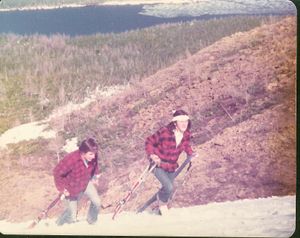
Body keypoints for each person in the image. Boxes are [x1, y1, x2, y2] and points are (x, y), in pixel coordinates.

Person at [144, 109, 196, 214]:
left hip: (171, 167)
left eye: (185, 121)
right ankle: (162, 204)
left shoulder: (186, 134)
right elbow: (149, 141)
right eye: (181, 121)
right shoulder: (164, 132)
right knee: (168, 187)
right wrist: (152, 155)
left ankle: (158, 211)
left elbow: (186, 145)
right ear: (175, 122)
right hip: (157, 165)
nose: (184, 124)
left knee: (168, 189)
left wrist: (191, 153)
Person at [53, 138, 101, 225]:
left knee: (97, 202)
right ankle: (58, 224)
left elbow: (95, 165)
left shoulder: (93, 156)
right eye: (91, 154)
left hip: (85, 182)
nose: (93, 156)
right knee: (71, 217)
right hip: (71, 187)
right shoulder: (71, 159)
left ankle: (92, 221)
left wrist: (95, 177)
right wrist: (62, 189)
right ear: (83, 153)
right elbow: (57, 172)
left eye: (94, 154)